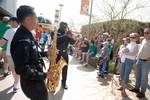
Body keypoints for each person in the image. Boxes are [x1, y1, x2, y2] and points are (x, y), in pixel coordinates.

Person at [10, 5, 49, 100]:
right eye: (36, 18)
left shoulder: (27, 34)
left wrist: (46, 53)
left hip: (35, 82)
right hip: (33, 85)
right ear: (27, 19)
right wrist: (44, 75)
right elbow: (21, 69)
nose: (37, 21)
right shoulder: (23, 40)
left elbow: (32, 54)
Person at [0, 17, 20, 93]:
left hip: (10, 54)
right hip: (19, 55)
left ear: (14, 22)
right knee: (16, 70)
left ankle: (15, 84)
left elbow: (2, 42)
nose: (9, 23)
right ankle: (15, 85)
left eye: (10, 22)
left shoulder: (10, 31)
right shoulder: (23, 31)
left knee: (13, 70)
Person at [130, 28, 150, 98]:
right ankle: (136, 88)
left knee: (144, 78)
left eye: (147, 33)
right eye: (145, 32)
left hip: (146, 62)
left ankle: (142, 92)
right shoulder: (144, 40)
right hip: (139, 60)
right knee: (138, 76)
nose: (146, 34)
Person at [57, 22, 75, 89]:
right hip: (57, 53)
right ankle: (53, 82)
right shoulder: (57, 32)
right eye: (64, 26)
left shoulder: (67, 34)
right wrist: (66, 35)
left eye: (66, 27)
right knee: (55, 69)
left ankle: (64, 82)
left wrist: (70, 36)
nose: (65, 28)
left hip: (65, 54)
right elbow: (56, 40)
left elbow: (73, 42)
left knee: (65, 68)